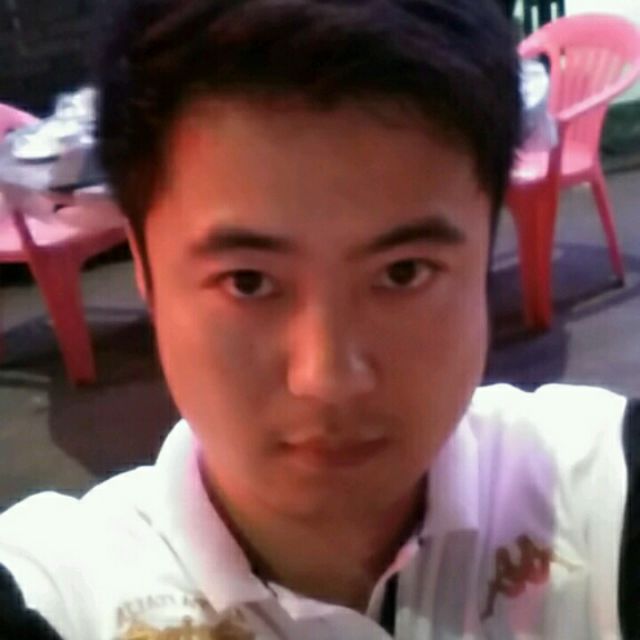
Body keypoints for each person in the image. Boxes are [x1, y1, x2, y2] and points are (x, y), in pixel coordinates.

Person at [0, 0, 635, 638]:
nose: (329, 379)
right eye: (248, 281)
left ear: (486, 245)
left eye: (403, 272)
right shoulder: (58, 591)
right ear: (145, 269)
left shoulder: (594, 495)